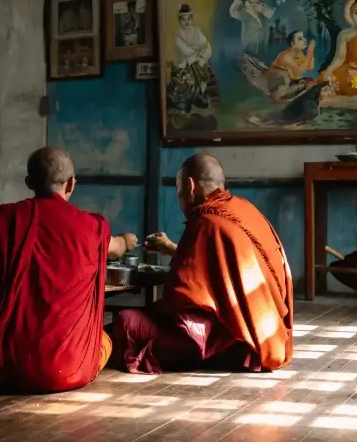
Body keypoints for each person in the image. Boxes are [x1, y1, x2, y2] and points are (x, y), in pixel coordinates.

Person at [0, 146, 138, 393]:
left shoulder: (1, 218)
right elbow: (114, 248)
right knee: (103, 340)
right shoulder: (92, 226)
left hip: (6, 366)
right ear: (71, 184)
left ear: (29, 182)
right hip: (70, 371)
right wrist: (127, 240)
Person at [111, 154, 294, 374]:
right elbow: (218, 263)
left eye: (179, 192)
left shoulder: (206, 222)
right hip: (266, 333)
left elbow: (181, 298)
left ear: (189, 186)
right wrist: (169, 247)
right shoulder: (245, 210)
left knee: (126, 321)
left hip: (224, 337)